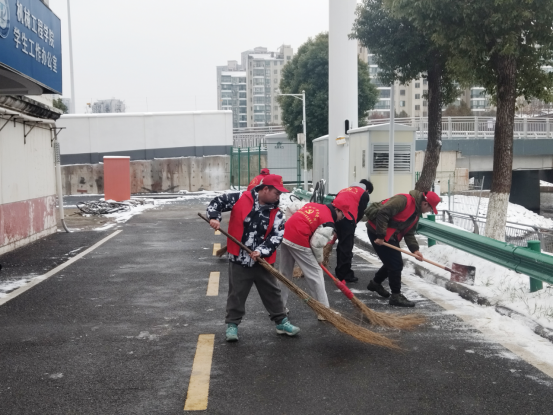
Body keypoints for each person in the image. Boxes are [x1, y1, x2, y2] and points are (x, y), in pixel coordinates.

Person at [206, 174, 300, 342]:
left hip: (262, 261)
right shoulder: (240, 198)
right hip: (239, 259)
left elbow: (276, 236)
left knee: (272, 292)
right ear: (265, 189)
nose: (279, 196)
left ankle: (281, 322)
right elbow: (217, 202)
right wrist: (214, 217)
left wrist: (261, 251)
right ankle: (232, 325)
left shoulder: (277, 213)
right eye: (277, 193)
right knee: (236, 293)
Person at [279, 199, 353, 319]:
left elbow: (291, 207)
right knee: (316, 275)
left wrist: (290, 224)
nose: (341, 219)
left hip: (285, 235)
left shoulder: (313, 205)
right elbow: (316, 244)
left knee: (285, 273)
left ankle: (279, 307)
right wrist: (319, 260)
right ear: (337, 210)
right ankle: (324, 312)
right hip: (299, 241)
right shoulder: (328, 223)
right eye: (342, 215)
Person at [365, 190, 441, 307]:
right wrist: (380, 236)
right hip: (377, 230)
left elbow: (409, 233)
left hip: (390, 235)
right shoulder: (403, 200)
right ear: (425, 203)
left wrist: (415, 250)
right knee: (395, 264)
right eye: (430, 209)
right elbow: (383, 213)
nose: (429, 211)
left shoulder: (416, 214)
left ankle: (375, 283)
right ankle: (395, 296)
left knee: (392, 262)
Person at [332, 179, 374, 283]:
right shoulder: (363, 194)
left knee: (342, 244)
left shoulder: (344, 190)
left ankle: (339, 271)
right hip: (347, 218)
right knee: (347, 246)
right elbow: (361, 212)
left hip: (335, 216)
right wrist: (353, 224)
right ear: (367, 189)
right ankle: (345, 274)